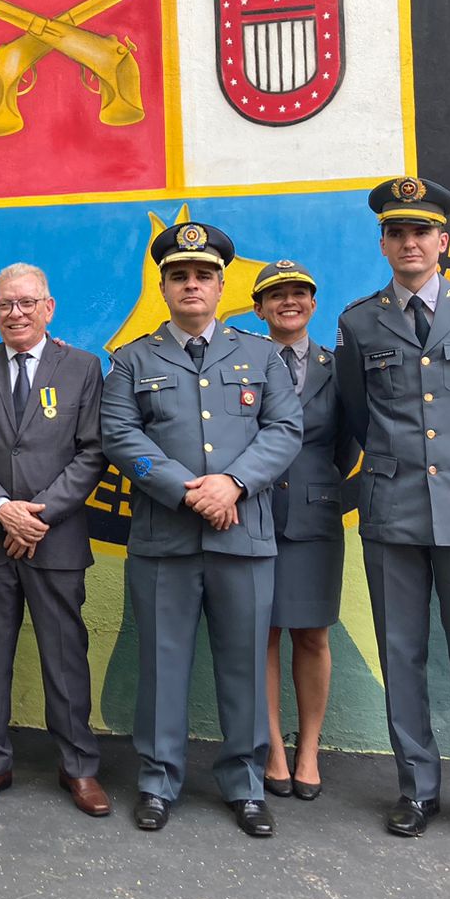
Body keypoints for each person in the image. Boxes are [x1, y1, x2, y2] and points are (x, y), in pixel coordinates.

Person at [334, 176, 450, 853]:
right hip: (394, 510)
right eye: (396, 232)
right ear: (383, 243)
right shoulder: (360, 322)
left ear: (443, 240)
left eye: (422, 232)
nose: (410, 243)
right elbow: (356, 413)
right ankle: (415, 787)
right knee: (402, 656)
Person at [99, 222, 302, 837]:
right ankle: (159, 782)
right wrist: (191, 491)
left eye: (203, 275)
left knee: (243, 663)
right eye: (180, 276)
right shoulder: (131, 359)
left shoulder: (261, 354)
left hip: (243, 537)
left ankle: (244, 784)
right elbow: (119, 436)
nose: (192, 284)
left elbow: (285, 430)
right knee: (162, 665)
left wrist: (233, 484)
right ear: (163, 287)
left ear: (220, 287)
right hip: (166, 539)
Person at [0, 263, 109, 817]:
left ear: (48, 307)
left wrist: (37, 516)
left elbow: (93, 452)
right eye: (3, 305)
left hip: (55, 539)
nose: (14, 314)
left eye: (25, 303)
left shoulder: (84, 368)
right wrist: (2, 510)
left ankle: (79, 766)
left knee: (65, 656)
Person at [248, 260, 357, 801]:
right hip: (257, 511)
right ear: (258, 309)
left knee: (312, 635)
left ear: (313, 305)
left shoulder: (337, 368)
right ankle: (272, 749)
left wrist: (316, 484)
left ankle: (308, 749)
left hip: (314, 515)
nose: (288, 302)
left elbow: (347, 446)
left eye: (298, 294)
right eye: (276, 296)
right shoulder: (243, 364)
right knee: (261, 635)